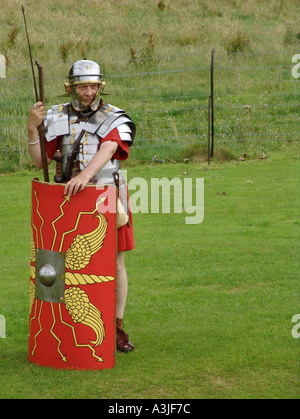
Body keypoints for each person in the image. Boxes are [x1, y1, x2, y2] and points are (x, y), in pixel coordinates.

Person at [27, 59, 135, 352]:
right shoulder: (56, 117)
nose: (88, 92)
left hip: (105, 195)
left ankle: (116, 326)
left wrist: (86, 175)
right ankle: (62, 324)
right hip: (66, 200)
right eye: (82, 86)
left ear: (101, 87)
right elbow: (40, 162)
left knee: (113, 261)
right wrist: (32, 130)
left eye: (93, 86)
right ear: (70, 87)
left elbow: (110, 147)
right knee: (58, 261)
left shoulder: (114, 117)